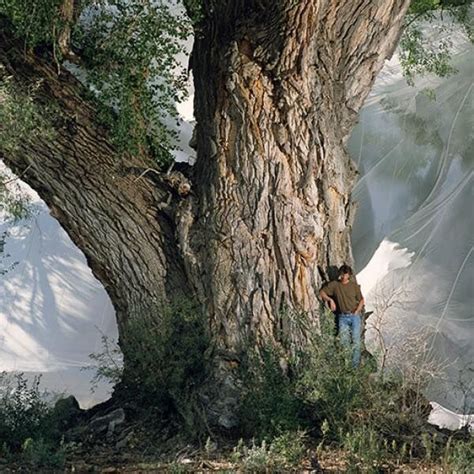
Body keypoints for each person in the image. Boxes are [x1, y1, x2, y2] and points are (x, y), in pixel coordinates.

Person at [319, 265, 365, 367]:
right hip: (342, 317)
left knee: (356, 341)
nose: (344, 276)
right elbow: (322, 293)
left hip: (354, 316)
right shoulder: (335, 285)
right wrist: (330, 300)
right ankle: (346, 365)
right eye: (342, 273)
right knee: (344, 343)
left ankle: (354, 367)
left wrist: (357, 311)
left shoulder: (353, 286)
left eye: (346, 274)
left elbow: (361, 300)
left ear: (349, 275)